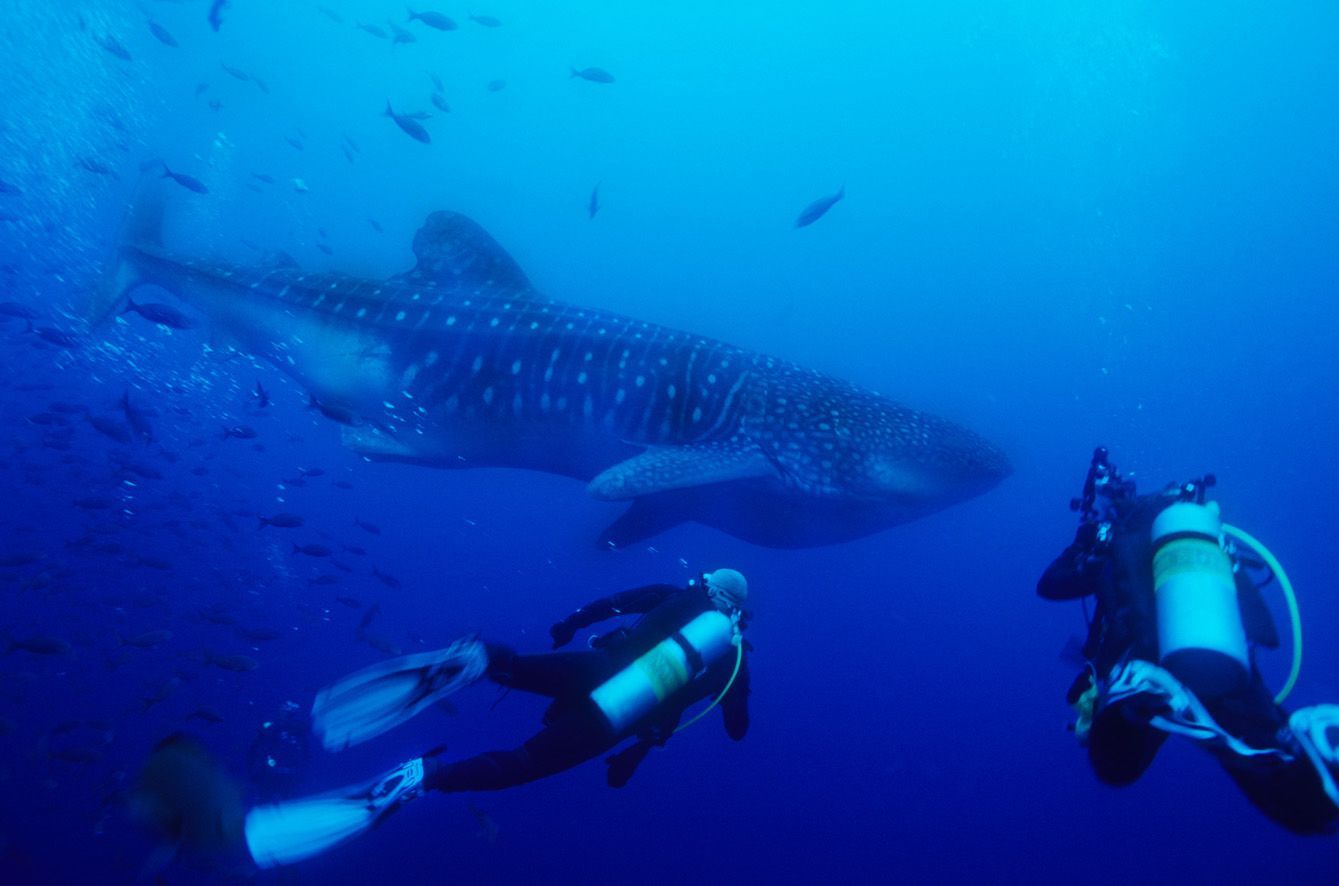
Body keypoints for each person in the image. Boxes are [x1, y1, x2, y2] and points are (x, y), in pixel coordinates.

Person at [241, 568, 753, 868]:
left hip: (592, 668)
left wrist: (566, 625)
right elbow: (736, 729)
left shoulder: (676, 593)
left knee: (505, 667)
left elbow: (611, 605)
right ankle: (428, 775)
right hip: (615, 716)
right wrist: (724, 684)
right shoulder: (729, 656)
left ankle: (476, 660)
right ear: (736, 611)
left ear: (705, 583)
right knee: (523, 761)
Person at [1038, 447, 1339, 835]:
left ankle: (1140, 695)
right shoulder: (1195, 538)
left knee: (1115, 767)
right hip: (1220, 650)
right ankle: (1314, 742)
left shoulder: (1118, 538)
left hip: (1143, 656)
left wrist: (1084, 543)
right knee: (1300, 802)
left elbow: (1051, 585)